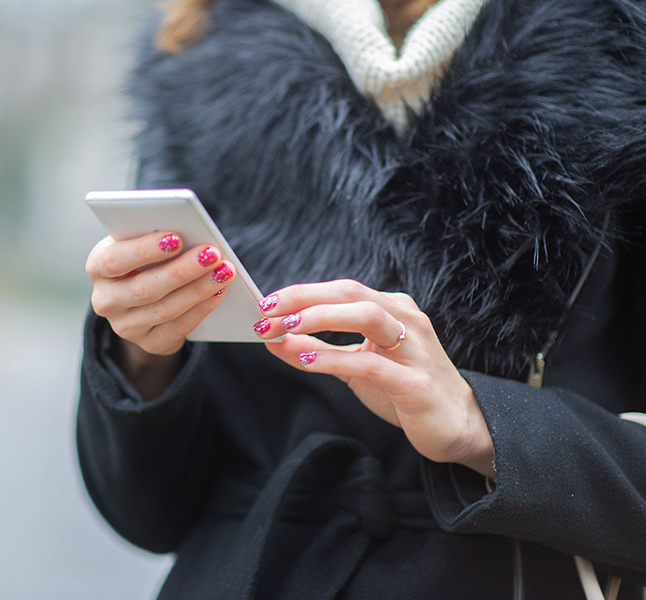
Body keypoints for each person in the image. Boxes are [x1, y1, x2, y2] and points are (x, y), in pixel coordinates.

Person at [77, 0, 646, 597]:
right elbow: (144, 513)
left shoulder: (617, 41)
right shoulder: (196, 50)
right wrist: (143, 357)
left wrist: (484, 426)